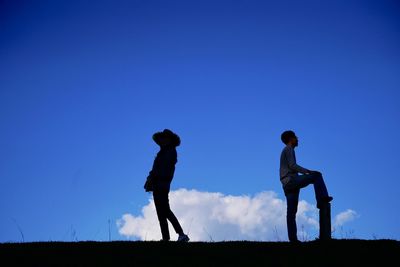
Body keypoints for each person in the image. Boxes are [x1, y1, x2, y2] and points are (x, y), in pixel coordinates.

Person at [279, 130, 333, 243]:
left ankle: (293, 240)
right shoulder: (288, 149)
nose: (297, 139)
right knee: (317, 175)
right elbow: (293, 166)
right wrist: (307, 171)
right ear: (290, 138)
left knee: (291, 212)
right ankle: (321, 199)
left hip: (287, 184)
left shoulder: (287, 150)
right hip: (291, 180)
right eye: (295, 137)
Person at [144, 129, 190, 242]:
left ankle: (181, 234)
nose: (161, 140)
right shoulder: (163, 153)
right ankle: (166, 238)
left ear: (169, 139)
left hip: (162, 185)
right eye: (161, 139)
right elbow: (155, 170)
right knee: (161, 213)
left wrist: (154, 178)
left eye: (164, 138)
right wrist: (150, 179)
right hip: (158, 185)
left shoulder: (169, 152)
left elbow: (163, 171)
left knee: (165, 211)